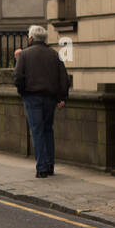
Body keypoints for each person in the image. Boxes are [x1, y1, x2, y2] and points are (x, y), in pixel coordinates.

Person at [12, 25, 70, 177]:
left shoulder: (24, 55)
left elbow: (18, 77)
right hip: (50, 98)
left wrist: (22, 91)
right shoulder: (54, 55)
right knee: (47, 130)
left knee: (37, 131)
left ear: (31, 38)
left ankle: (42, 167)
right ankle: (50, 165)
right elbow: (63, 77)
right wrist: (62, 97)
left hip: (32, 97)